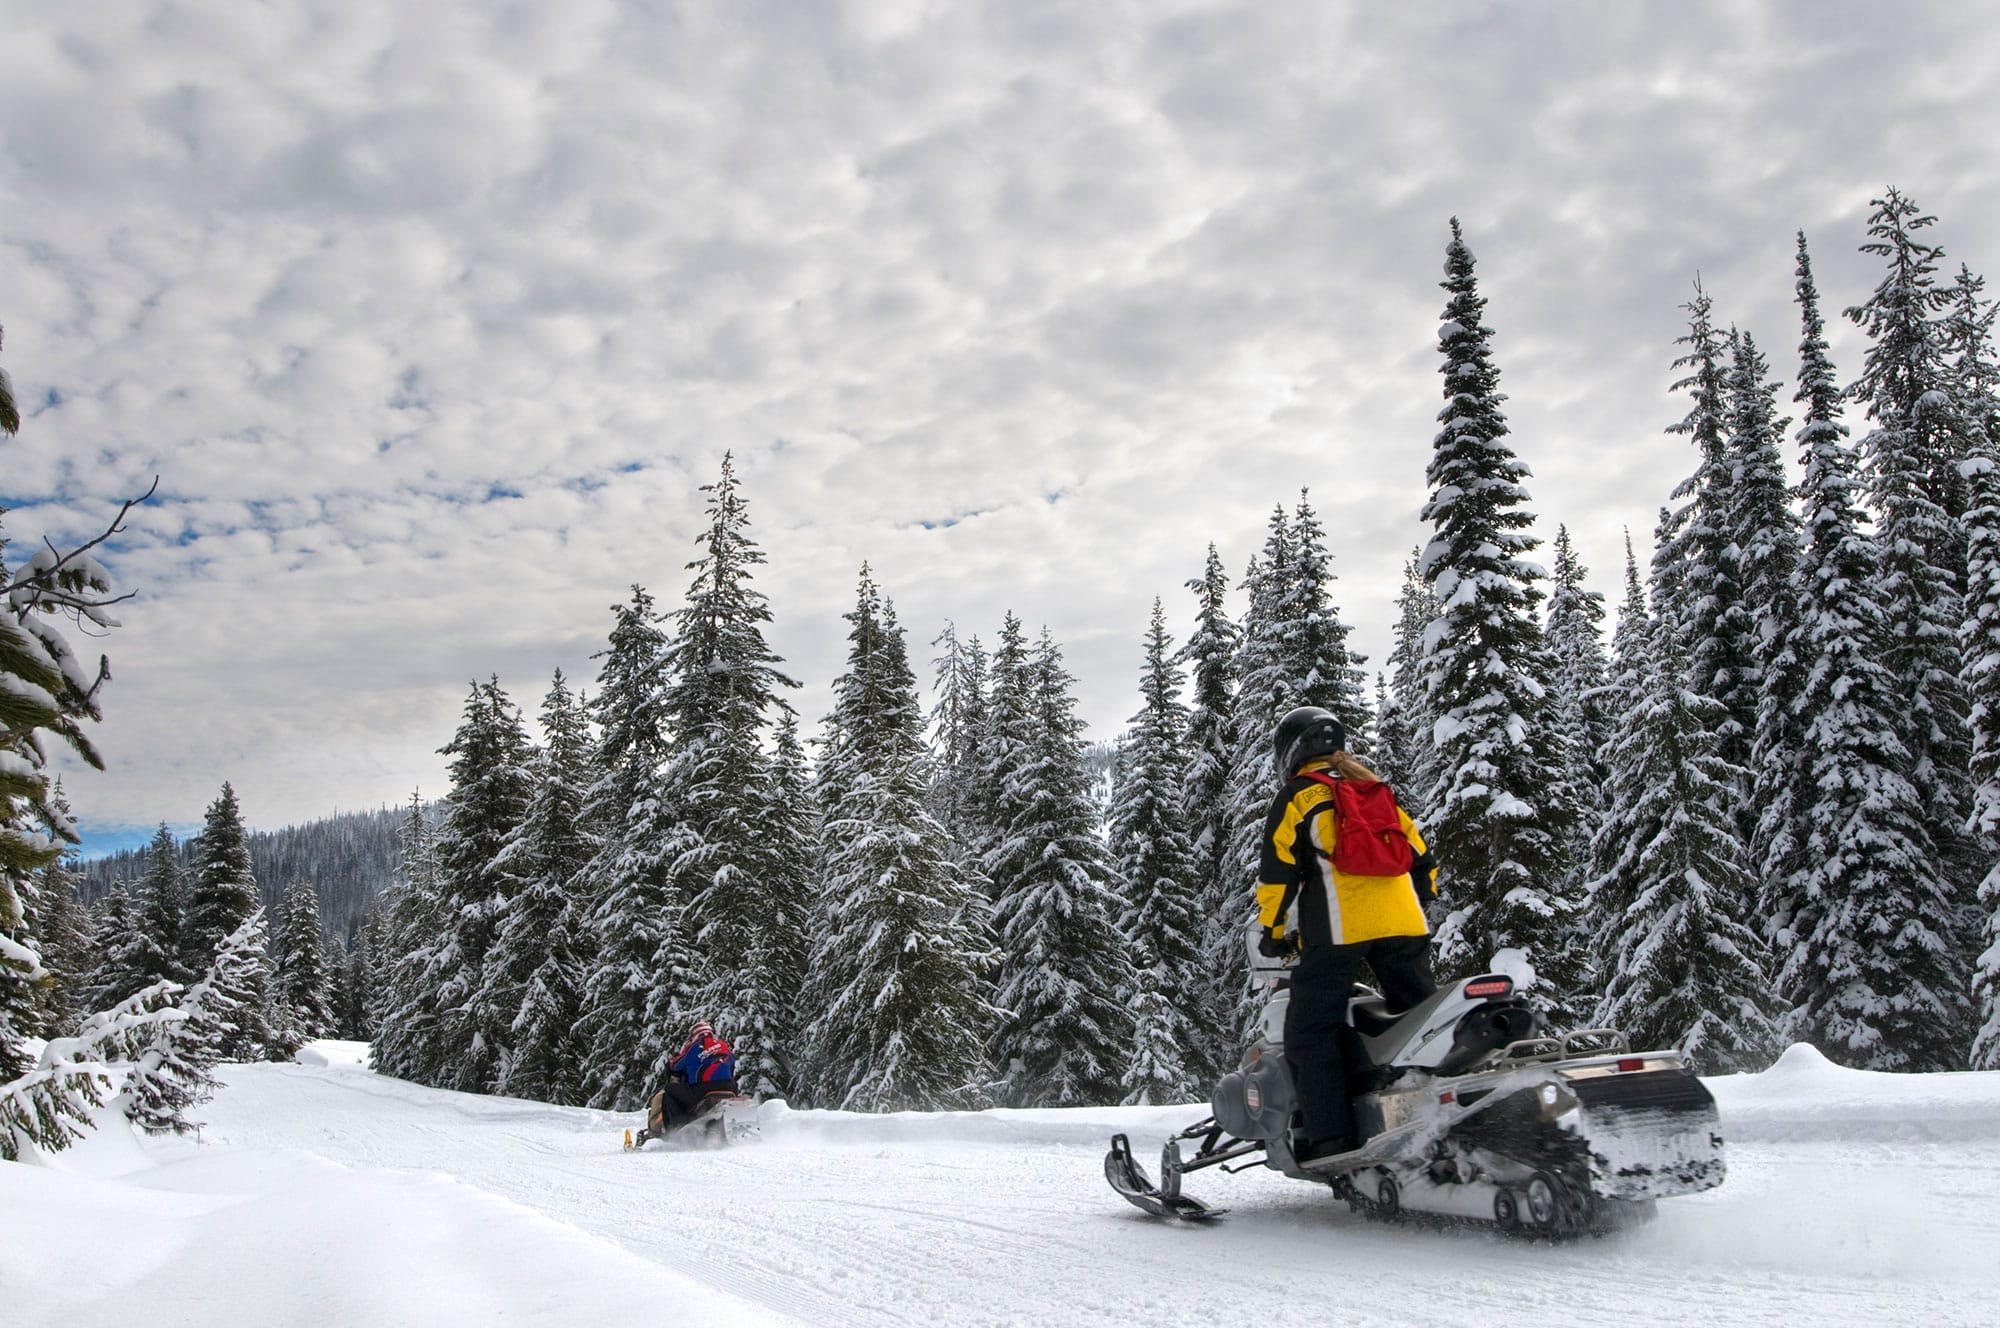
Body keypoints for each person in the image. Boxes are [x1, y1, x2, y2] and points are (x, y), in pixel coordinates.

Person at [1255, 705, 1438, 1163]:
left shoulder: (1300, 795)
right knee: (1420, 1024)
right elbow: (1422, 860)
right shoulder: (1373, 790)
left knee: (1310, 1034)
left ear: (1292, 751)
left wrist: (1272, 931)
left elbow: (1277, 874)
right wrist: (1412, 906)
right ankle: (1432, 1114)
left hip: (1339, 927)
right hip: (1405, 921)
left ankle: (1331, 1141)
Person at [651, 1020, 738, 1135]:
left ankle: (677, 1125)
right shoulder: (724, 1046)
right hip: (729, 1087)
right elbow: (732, 1065)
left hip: (703, 1088)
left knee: (669, 1090)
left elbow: (676, 1065)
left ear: (694, 1034)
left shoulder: (693, 1047)